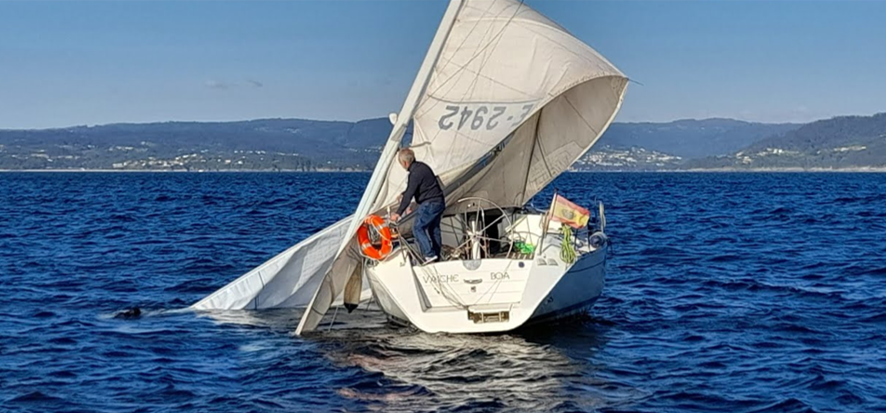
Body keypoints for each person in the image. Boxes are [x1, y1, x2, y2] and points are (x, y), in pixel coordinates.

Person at [390, 148, 445, 264]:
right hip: (439, 202)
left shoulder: (414, 174)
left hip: (430, 203)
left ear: (405, 163)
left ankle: (429, 255)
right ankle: (436, 255)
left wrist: (398, 213)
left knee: (417, 228)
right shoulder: (423, 167)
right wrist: (404, 193)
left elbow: (409, 195)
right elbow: (419, 187)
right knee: (434, 229)